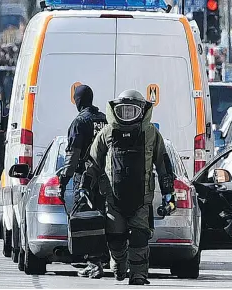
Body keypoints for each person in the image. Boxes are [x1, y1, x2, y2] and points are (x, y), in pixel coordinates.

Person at [80, 89, 175, 285]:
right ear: (116, 111)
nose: (128, 115)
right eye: (124, 111)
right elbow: (93, 163)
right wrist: (85, 186)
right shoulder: (106, 132)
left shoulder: (151, 134)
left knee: (140, 237)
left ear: (143, 111)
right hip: (113, 199)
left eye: (133, 111)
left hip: (141, 198)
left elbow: (163, 164)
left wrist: (168, 192)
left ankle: (139, 275)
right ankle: (118, 266)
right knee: (115, 238)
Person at [57, 84, 108, 279]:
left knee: (87, 220)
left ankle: (94, 263)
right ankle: (103, 259)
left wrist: (64, 180)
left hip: (86, 178)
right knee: (103, 218)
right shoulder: (103, 119)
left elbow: (73, 155)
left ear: (78, 100)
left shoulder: (80, 122)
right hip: (106, 178)